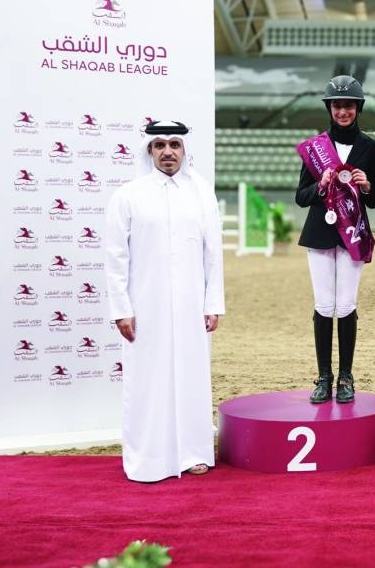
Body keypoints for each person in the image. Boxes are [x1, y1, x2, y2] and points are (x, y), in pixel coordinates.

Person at [105, 120, 224, 482]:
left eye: (174, 144)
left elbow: (212, 252)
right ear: (149, 151)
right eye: (160, 145)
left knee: (191, 376)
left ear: (185, 150)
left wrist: (212, 302)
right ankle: (149, 458)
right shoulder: (128, 195)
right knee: (147, 380)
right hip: (145, 306)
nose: (168, 151)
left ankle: (192, 452)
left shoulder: (201, 191)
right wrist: (121, 309)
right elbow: (115, 257)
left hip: (191, 304)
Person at [295, 75, 375, 404]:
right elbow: (300, 197)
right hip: (320, 232)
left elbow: (374, 203)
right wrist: (321, 185)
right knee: (323, 305)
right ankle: (324, 376)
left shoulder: (371, 150)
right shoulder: (316, 148)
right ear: (330, 109)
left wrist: (368, 185)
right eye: (337, 105)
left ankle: (346, 376)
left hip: (353, 236)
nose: (342, 111)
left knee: (346, 305)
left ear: (357, 108)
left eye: (348, 105)